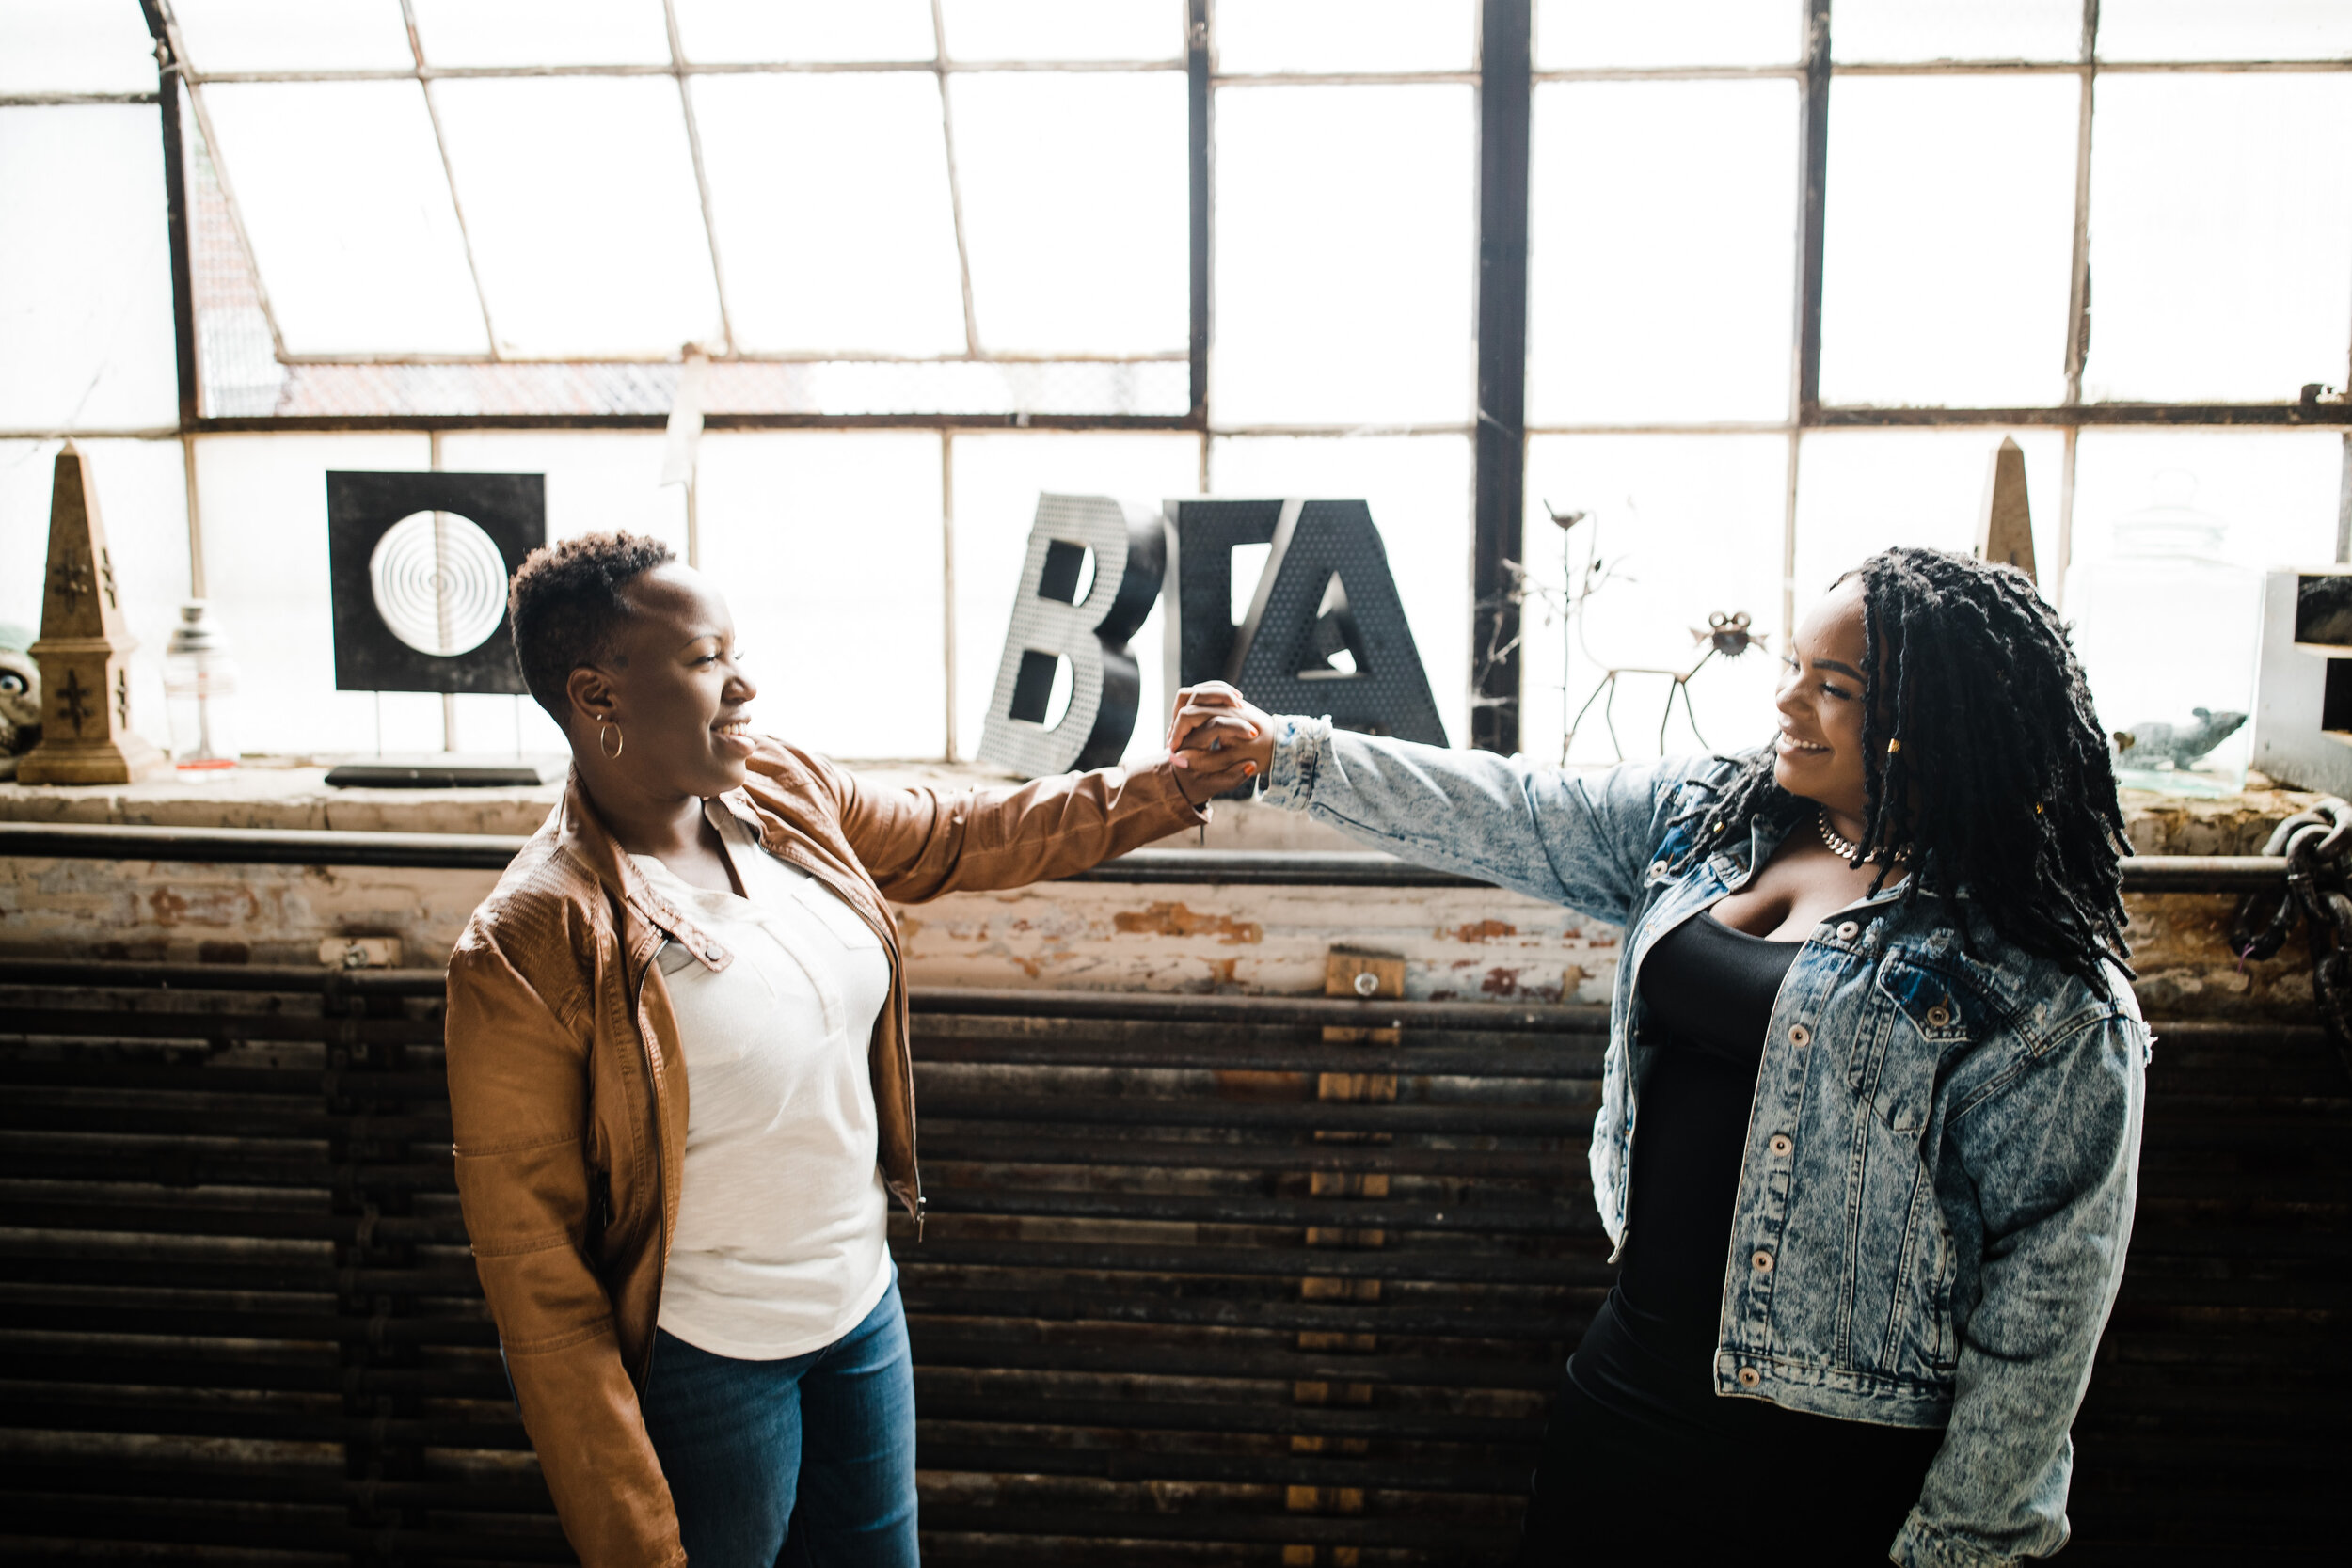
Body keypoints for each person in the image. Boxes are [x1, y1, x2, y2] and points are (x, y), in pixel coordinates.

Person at [1168, 546, 2147, 1567]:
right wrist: (1285, 752)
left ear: (1938, 725)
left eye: (1832, 686)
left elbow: (2043, 1313)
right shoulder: (1711, 816)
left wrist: (1964, 1545)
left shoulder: (2044, 990)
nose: (1787, 700)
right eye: (1792, 666)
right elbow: (1513, 808)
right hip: (1627, 1393)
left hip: (1833, 1461)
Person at [444, 531, 1255, 1568]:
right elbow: (538, 1288)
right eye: (703, 660)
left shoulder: (778, 786)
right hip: (704, 1361)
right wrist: (637, 1542)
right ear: (598, 696)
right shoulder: (527, 943)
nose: (744, 682)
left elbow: (960, 831)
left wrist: (1169, 785)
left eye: (735, 649)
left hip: (859, 1315)